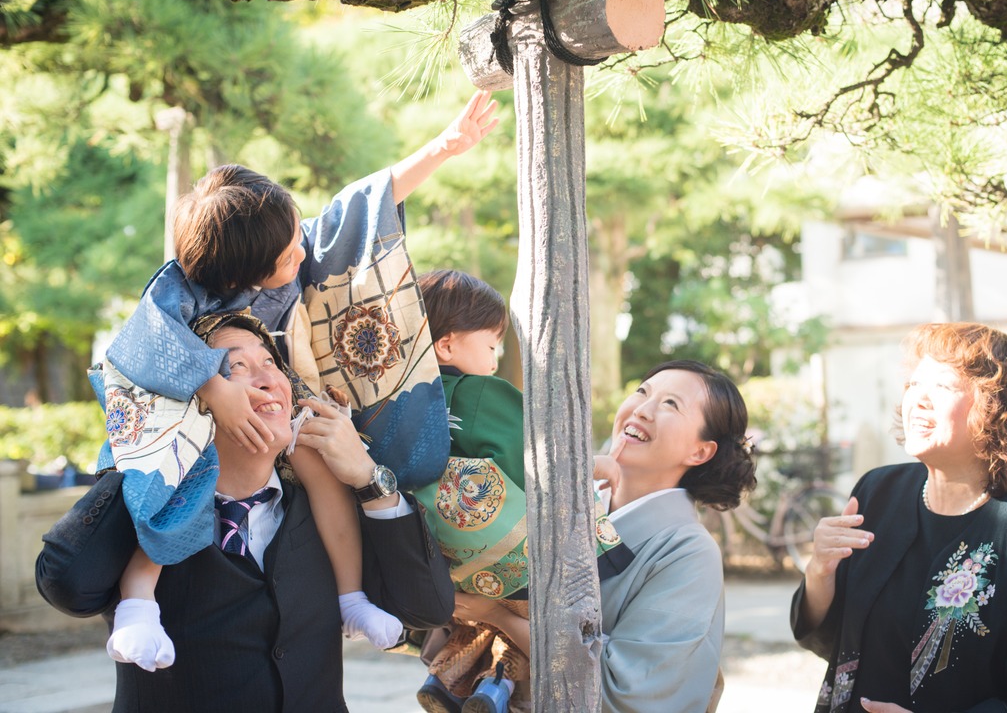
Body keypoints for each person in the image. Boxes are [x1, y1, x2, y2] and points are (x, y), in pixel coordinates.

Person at [95, 92, 498, 671]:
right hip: (184, 413)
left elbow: (352, 215)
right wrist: (215, 390)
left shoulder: (283, 252)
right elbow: (144, 345)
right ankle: (138, 603)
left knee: (320, 455)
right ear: (241, 272)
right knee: (178, 470)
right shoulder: (179, 291)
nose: (302, 251)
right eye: (288, 255)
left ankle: (351, 597)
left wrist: (442, 148)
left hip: (274, 400)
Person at [37, 313, 455, 712]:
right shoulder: (148, 513)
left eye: (270, 362)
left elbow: (428, 608)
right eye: (236, 367)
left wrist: (368, 478)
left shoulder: (325, 513)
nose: (268, 378)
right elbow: (67, 586)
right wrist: (148, 454)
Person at [791, 322, 1007, 713]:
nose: (918, 399)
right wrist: (820, 571)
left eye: (942, 386)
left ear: (995, 409)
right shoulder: (877, 492)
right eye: (913, 384)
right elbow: (831, 638)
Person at [447, 360, 758, 712]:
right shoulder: (563, 497)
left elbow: (627, 691)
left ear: (700, 451)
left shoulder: (690, 553)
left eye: (671, 404)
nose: (642, 409)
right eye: (642, 391)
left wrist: (499, 616)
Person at [411, 269, 630, 713]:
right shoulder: (479, 393)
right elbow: (536, 457)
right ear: (446, 345)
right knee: (547, 625)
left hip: (451, 554)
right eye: (491, 346)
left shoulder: (407, 403)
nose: (495, 361)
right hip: (512, 553)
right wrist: (589, 465)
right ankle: (496, 687)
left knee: (483, 621)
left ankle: (450, 680)